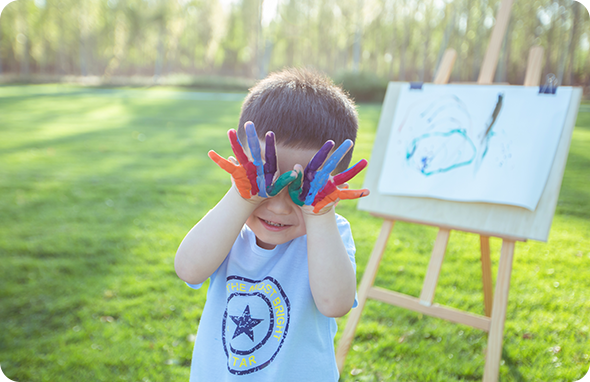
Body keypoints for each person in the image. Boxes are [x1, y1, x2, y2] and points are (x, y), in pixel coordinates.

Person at [175, 68, 369, 381]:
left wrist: (318, 214)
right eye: (266, 178)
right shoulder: (230, 227)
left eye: (302, 187)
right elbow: (188, 268)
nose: (279, 205)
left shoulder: (330, 232)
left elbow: (335, 303)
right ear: (241, 168)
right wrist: (244, 199)